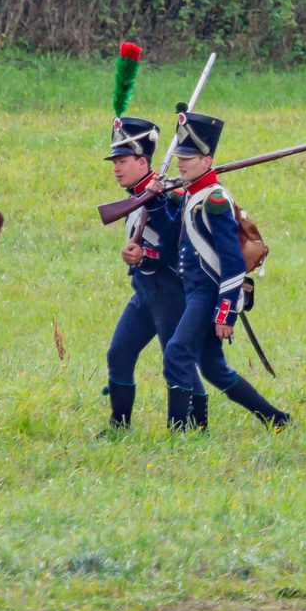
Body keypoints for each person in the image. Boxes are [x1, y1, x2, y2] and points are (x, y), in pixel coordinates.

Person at [160, 110, 291, 431]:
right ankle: (276, 418)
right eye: (180, 156)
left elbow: (232, 262)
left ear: (207, 161)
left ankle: (178, 429)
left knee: (176, 353)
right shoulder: (195, 195)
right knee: (214, 369)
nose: (180, 162)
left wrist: (225, 314)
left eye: (188, 157)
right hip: (196, 293)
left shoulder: (215, 200)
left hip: (207, 294)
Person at [101, 42, 183, 430]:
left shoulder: (168, 195)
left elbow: (173, 249)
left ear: (143, 161)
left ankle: (182, 429)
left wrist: (153, 205)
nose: (116, 169)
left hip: (169, 289)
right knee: (118, 354)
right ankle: (119, 426)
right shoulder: (135, 195)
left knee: (175, 361)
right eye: (115, 161)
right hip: (144, 292)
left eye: (122, 161)